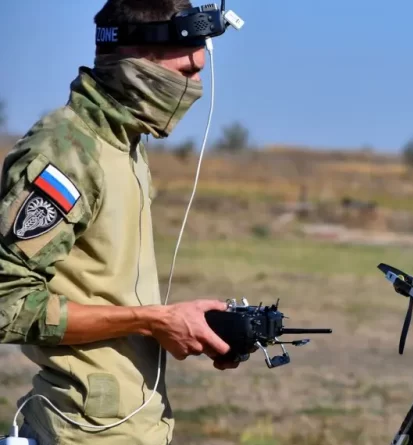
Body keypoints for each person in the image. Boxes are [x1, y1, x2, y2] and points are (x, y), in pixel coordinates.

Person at [0, 1, 238, 444]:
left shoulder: (126, 144)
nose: (197, 88)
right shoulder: (67, 153)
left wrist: (187, 326)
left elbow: (103, 290)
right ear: (136, 60)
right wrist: (151, 321)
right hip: (83, 432)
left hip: (133, 427)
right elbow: (6, 303)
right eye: (186, 72)